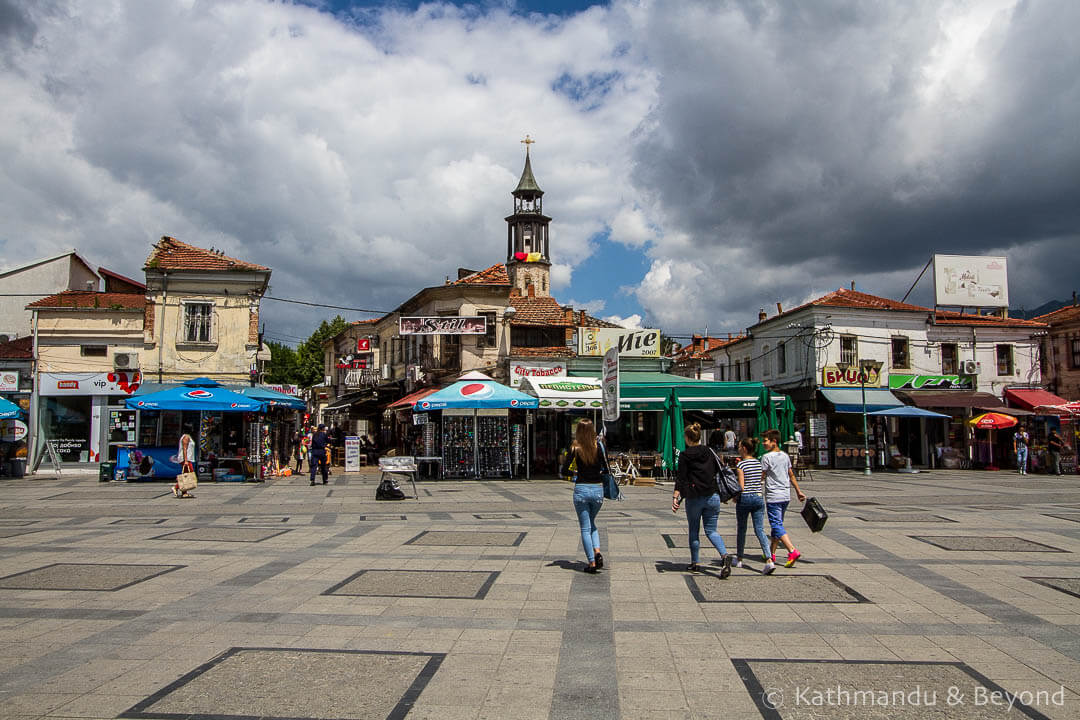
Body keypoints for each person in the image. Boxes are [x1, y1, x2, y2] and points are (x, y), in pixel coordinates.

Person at [672, 423, 731, 577]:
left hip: (694, 497)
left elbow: (681, 477)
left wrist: (676, 496)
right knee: (711, 531)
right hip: (712, 496)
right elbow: (720, 471)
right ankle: (725, 556)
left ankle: (695, 562)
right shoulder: (710, 451)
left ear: (687, 438)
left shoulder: (685, 455)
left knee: (693, 530)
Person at [560, 419, 608, 574]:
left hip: (581, 489)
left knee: (585, 528)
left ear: (579, 431)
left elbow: (565, 470)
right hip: (597, 490)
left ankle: (592, 562)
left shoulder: (575, 447)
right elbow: (606, 469)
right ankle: (598, 551)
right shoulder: (599, 446)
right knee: (592, 523)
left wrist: (576, 473)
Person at [762, 428, 806, 567]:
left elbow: (761, 477)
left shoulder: (766, 457)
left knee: (776, 524)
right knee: (778, 524)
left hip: (774, 496)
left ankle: (792, 550)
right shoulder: (785, 456)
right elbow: (791, 475)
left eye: (766, 441)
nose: (764, 444)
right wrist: (798, 491)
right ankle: (771, 553)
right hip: (785, 495)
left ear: (774, 441)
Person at [734, 437, 775, 574]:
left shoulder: (741, 465)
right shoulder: (758, 463)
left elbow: (741, 486)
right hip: (758, 497)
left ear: (744, 449)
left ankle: (739, 558)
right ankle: (769, 559)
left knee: (742, 529)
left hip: (745, 498)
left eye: (739, 447)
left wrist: (735, 497)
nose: (738, 449)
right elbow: (760, 479)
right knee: (760, 530)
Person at [173, 427, 197, 498]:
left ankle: (184, 493)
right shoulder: (186, 437)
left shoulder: (188, 437)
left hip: (187, 459)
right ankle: (176, 487)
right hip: (185, 459)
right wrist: (186, 460)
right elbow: (184, 449)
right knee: (190, 473)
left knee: (186, 475)